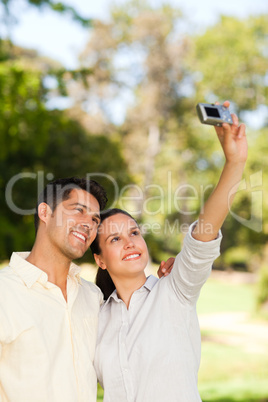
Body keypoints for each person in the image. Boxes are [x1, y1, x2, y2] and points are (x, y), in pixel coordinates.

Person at [90, 101, 248, 401]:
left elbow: (202, 238)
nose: (130, 242)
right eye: (114, 240)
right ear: (99, 260)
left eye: (134, 232)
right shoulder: (94, 315)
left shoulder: (174, 291)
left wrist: (234, 163)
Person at [0, 177, 172, 402]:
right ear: (45, 212)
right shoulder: (6, 291)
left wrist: (165, 287)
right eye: (77, 210)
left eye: (94, 219)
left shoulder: (93, 297)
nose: (88, 223)